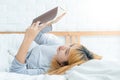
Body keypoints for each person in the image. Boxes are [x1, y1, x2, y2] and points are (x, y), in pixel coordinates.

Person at [10, 21, 102, 75]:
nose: (63, 47)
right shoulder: (57, 45)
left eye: (66, 52)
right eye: (70, 45)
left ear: (63, 64)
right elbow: (37, 36)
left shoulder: (48, 69)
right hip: (21, 54)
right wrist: (50, 24)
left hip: (18, 61)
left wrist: (28, 39)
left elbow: (16, 71)